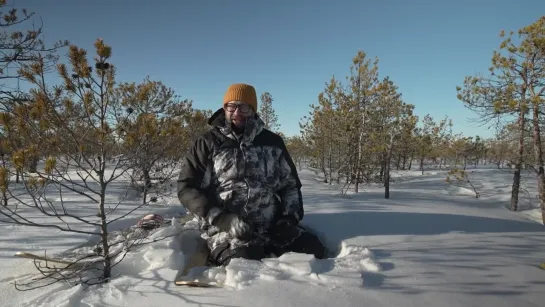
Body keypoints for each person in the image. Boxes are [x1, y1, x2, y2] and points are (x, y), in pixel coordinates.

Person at [177, 83, 326, 266]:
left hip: (272, 226)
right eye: (231, 106)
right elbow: (187, 188)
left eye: (244, 107)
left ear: (253, 110)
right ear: (224, 108)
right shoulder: (207, 143)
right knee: (245, 263)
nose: (237, 112)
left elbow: (290, 185)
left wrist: (288, 219)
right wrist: (221, 219)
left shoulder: (272, 142)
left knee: (314, 251)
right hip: (227, 227)